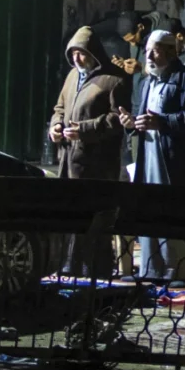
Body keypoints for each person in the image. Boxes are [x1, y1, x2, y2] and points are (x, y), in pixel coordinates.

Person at [122, 27, 185, 282]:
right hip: (150, 161)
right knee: (150, 213)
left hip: (177, 165)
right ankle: (151, 271)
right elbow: (146, 119)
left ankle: (179, 272)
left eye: (155, 50)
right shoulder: (148, 82)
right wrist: (132, 123)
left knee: (177, 216)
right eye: (147, 51)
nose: (149, 56)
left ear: (171, 52)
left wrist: (162, 122)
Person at [47, 27, 129, 278]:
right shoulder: (72, 76)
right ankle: (70, 266)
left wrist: (84, 130)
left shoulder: (115, 79)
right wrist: (55, 126)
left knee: (94, 217)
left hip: (96, 165)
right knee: (71, 216)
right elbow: (60, 107)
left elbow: (118, 119)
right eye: (73, 54)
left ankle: (96, 269)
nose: (77, 60)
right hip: (69, 160)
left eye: (81, 54)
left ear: (93, 53)